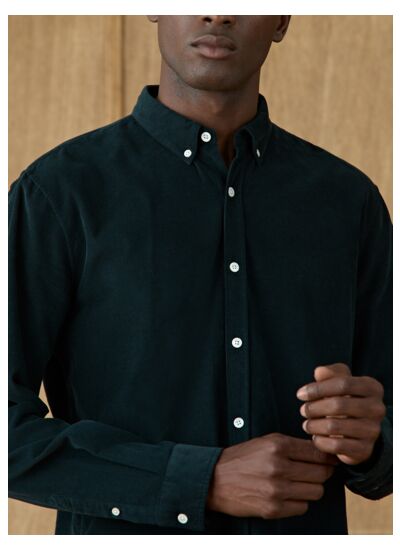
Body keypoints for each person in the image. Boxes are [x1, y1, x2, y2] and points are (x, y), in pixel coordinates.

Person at [8, 15, 392, 535]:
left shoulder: (350, 203)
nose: (218, 12)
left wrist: (373, 441)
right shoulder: (57, 194)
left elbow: (386, 426)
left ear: (281, 19)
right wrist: (195, 481)